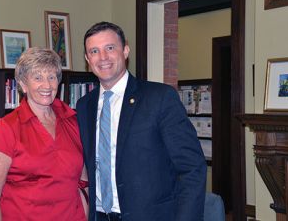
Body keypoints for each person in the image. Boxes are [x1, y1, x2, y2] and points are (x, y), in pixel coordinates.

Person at [76, 22, 207, 221]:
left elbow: (192, 168)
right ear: (87, 59)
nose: (103, 57)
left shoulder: (160, 98)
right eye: (94, 51)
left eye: (110, 48)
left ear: (125, 50)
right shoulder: (85, 105)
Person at [0, 48, 88, 221]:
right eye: (37, 78)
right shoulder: (7, 127)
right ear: (23, 85)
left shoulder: (73, 121)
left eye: (51, 77)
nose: (47, 85)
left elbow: (83, 181)